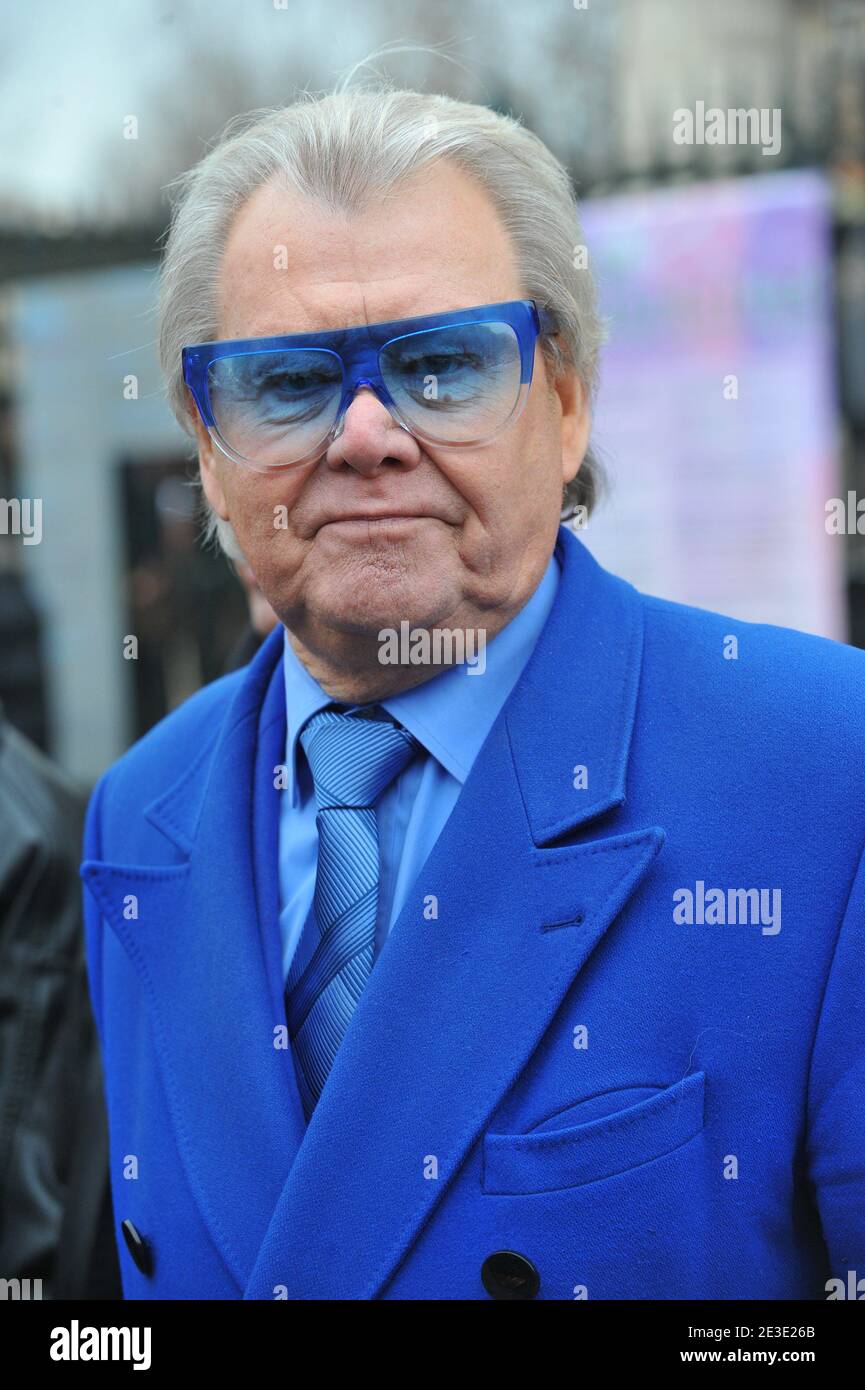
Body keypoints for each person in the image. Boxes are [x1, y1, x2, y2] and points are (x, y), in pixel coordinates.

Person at [81, 78, 865, 1301]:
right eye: (288, 382)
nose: (365, 433)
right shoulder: (139, 815)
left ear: (563, 403)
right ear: (205, 445)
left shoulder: (824, 770)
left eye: (440, 364)